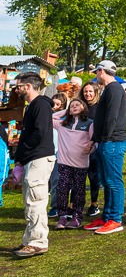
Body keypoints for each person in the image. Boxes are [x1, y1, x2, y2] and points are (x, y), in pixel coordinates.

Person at [11, 73, 56, 258]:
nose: (16, 89)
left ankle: (37, 243)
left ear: (28, 86)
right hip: (32, 158)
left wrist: (23, 152)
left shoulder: (41, 105)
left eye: (18, 85)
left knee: (35, 201)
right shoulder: (33, 106)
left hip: (39, 158)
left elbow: (39, 133)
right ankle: (29, 240)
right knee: (30, 200)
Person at [84, 60, 126, 235]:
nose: (96, 76)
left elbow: (111, 117)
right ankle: (107, 216)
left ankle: (115, 219)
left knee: (113, 181)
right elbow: (103, 118)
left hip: (113, 141)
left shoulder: (114, 89)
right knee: (107, 181)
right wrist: (97, 139)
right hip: (107, 141)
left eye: (96, 72)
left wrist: (104, 138)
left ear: (102, 71)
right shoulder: (110, 89)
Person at [51, 99, 96, 229]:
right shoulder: (62, 123)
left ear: (84, 108)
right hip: (64, 163)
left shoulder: (89, 123)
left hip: (81, 164)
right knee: (62, 189)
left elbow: (94, 143)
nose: (74, 107)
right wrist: (67, 110)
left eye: (77, 105)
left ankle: (77, 216)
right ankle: (63, 216)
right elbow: (51, 117)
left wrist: (90, 148)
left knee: (79, 191)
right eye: (72, 106)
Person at [79, 81, 102, 219]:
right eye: (85, 91)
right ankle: (76, 205)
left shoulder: (99, 107)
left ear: (95, 92)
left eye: (90, 91)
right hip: (78, 146)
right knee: (78, 178)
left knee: (93, 176)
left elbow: (99, 126)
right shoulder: (80, 106)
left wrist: (92, 142)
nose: (87, 94)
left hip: (94, 146)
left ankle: (94, 204)